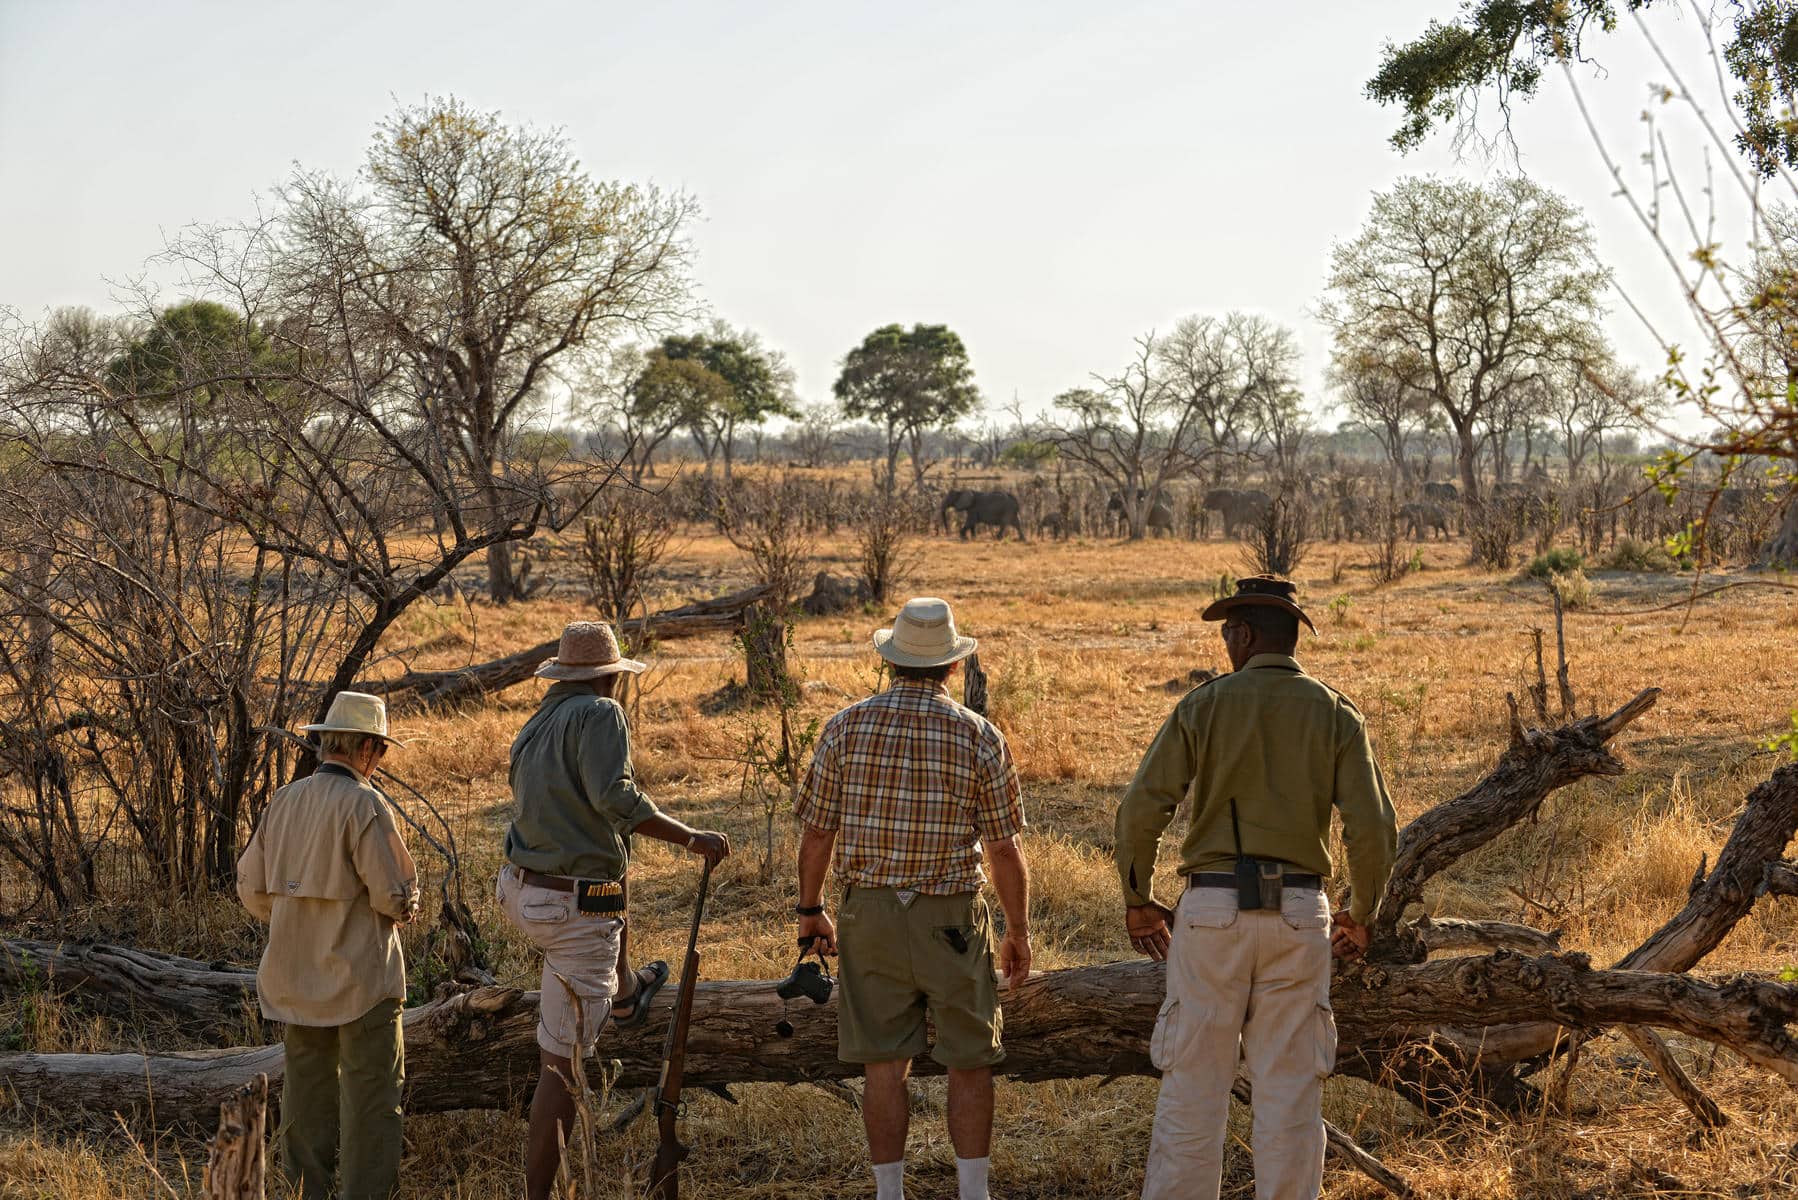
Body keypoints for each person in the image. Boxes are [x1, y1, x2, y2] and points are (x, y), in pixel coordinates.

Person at [1113, 575, 1398, 1200]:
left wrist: (1139, 901)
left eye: (1226, 634)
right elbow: (1372, 826)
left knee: (1193, 1087)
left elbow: (1141, 811)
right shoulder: (1334, 710)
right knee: (1291, 1090)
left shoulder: (1204, 705)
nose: (1224, 645)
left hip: (1211, 910)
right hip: (1301, 911)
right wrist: (1361, 911)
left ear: (1243, 635)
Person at [793, 596, 1032, 1200]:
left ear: (890, 662)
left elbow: (817, 832)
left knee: (882, 1064)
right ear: (953, 668)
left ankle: (889, 1192)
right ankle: (972, 1191)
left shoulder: (846, 725)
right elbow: (1004, 851)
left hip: (869, 911)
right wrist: (1017, 931)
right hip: (951, 914)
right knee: (970, 1059)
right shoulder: (979, 735)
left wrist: (809, 908)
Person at [498, 620, 731, 1200]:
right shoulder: (601, 714)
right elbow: (614, 797)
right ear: (608, 676)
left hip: (521, 889)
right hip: (570, 909)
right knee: (561, 1067)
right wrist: (690, 837)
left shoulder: (538, 721)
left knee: (609, 886)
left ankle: (624, 992)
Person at [237, 690, 419, 1200]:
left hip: (295, 982)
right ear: (365, 748)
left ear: (327, 745)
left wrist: (298, 917)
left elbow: (250, 888)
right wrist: (409, 907)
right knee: (372, 1107)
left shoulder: (284, 800)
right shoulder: (366, 805)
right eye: (379, 750)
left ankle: (304, 1193)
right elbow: (395, 896)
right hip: (363, 983)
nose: (378, 761)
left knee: (305, 1104)